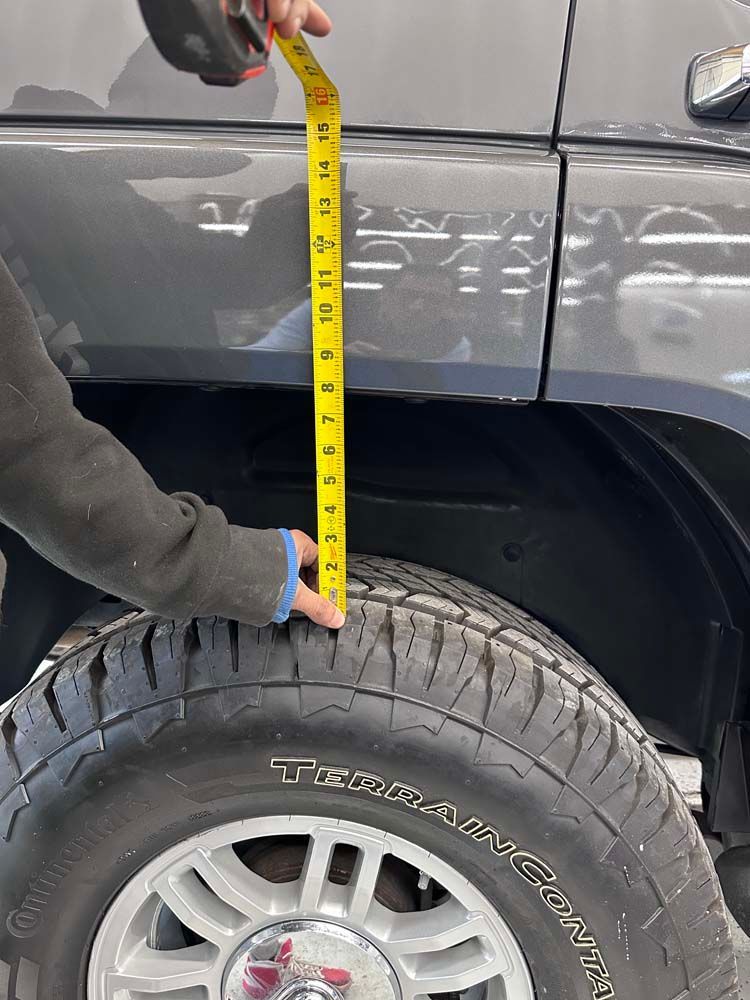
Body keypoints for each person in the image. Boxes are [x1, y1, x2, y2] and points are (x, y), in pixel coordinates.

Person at [0, 0, 344, 632]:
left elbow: (182, 266)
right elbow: (21, 438)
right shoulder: (59, 163)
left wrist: (278, 240)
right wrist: (212, 567)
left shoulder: (95, 189)